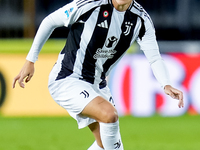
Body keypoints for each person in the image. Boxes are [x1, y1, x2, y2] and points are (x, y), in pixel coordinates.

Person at [13, 0, 184, 149]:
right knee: (109, 115)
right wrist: (30, 60)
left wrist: (166, 84)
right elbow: (50, 21)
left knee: (104, 144)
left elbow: (154, 58)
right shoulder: (89, 4)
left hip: (98, 85)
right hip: (67, 78)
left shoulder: (141, 20)